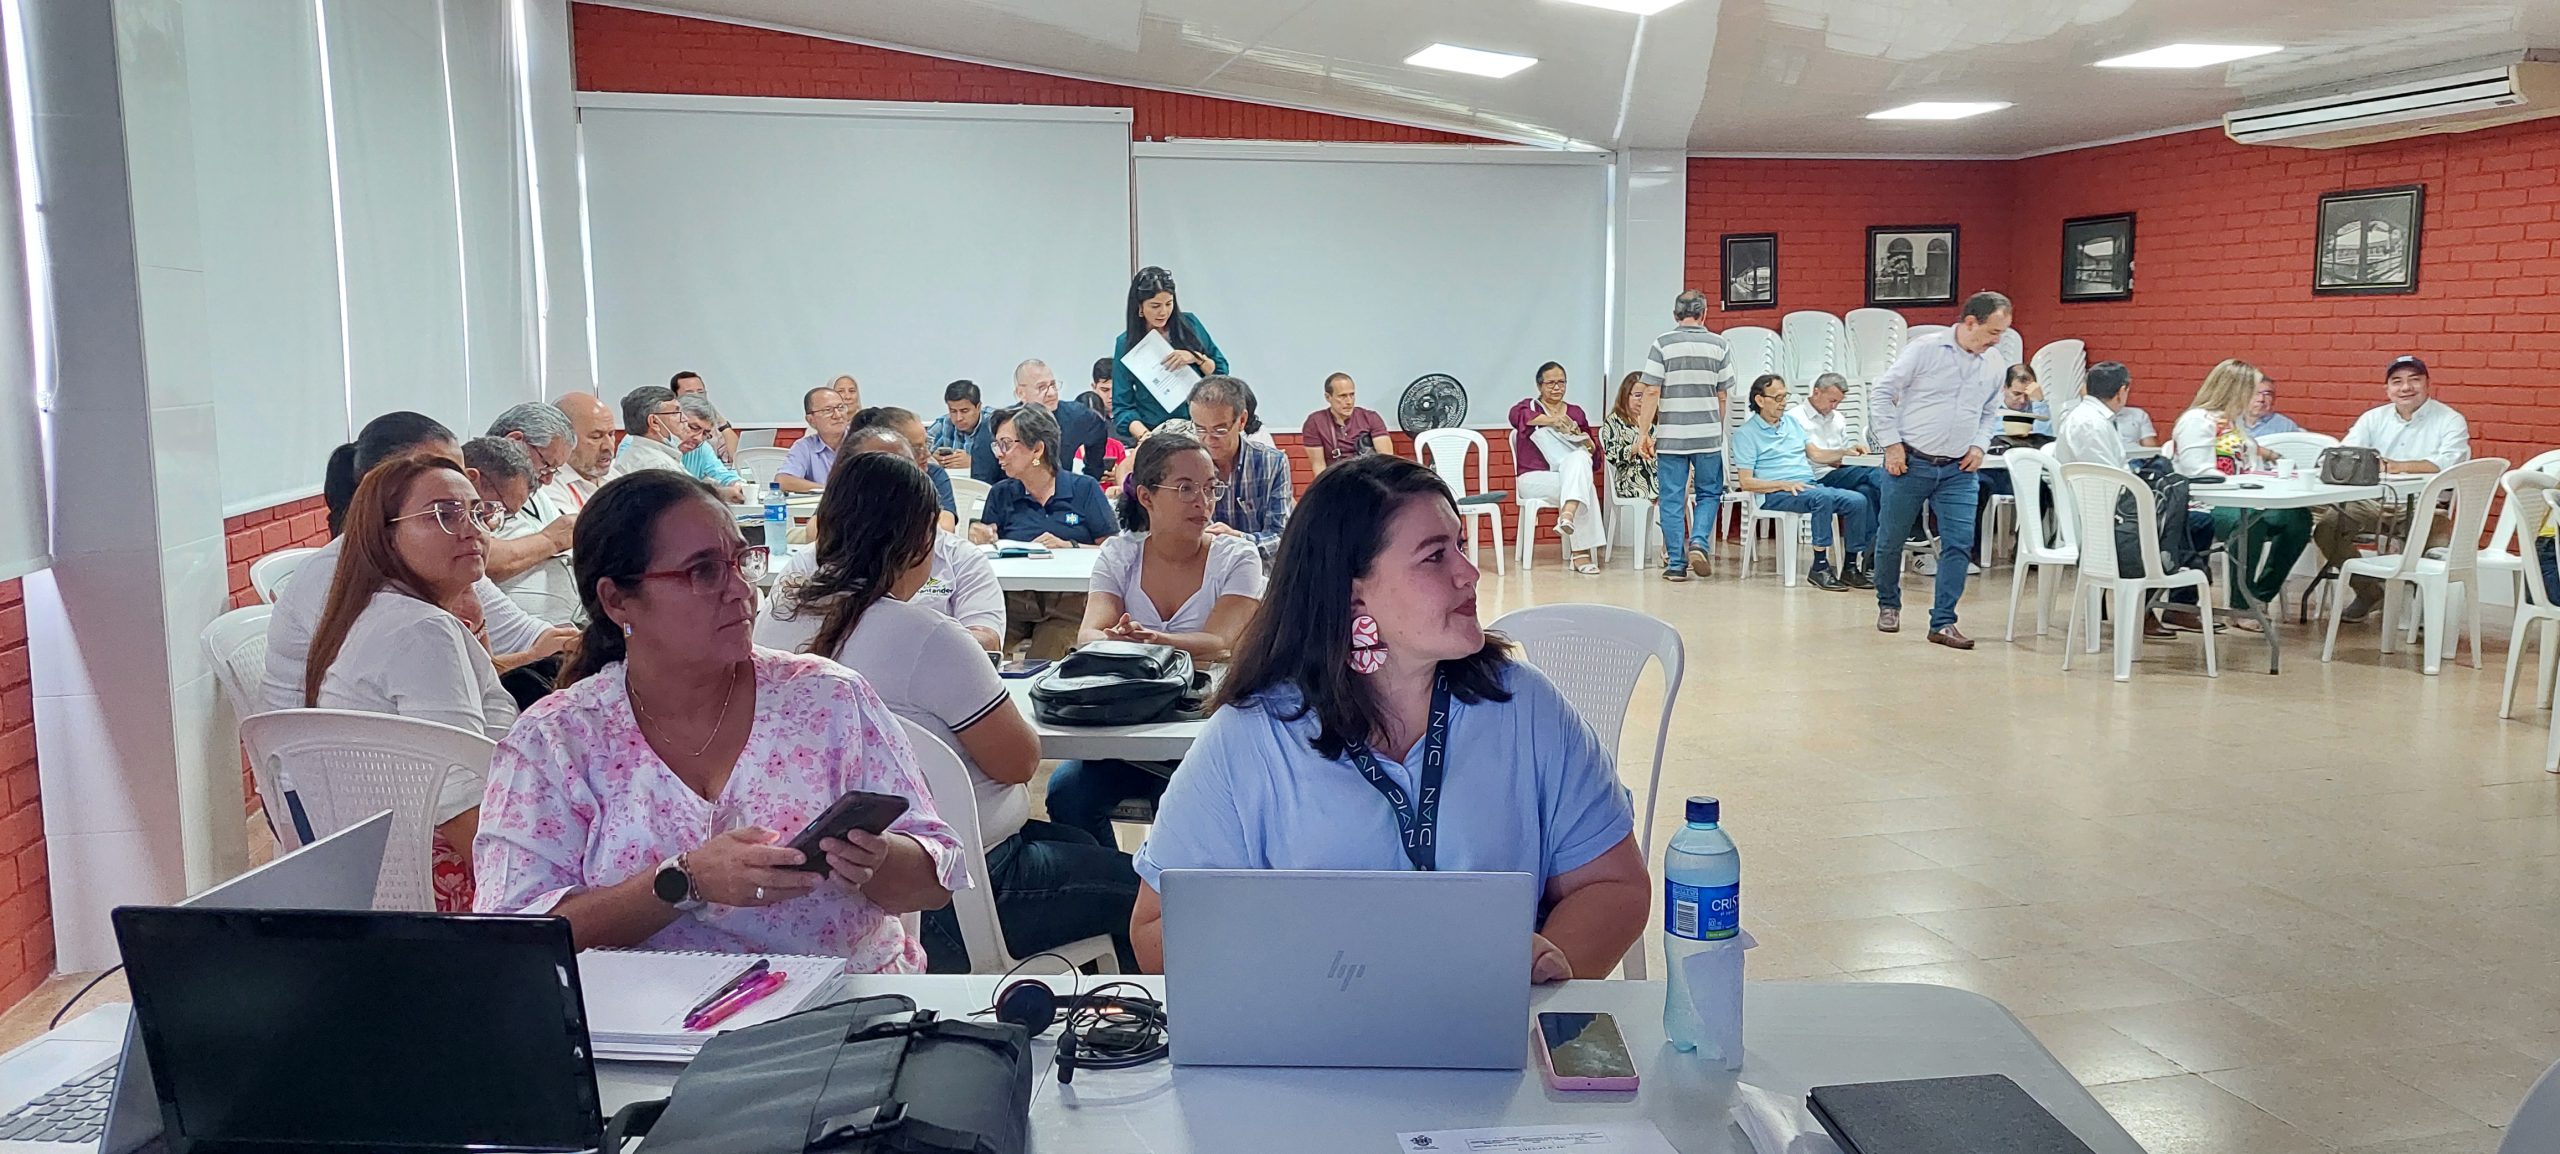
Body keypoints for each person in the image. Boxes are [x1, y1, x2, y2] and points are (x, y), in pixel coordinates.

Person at [1127, 454, 1649, 982]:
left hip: (1499, 1045)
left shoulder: (1523, 707)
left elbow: (1614, 885)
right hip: (1318, 1052)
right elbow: (1155, 928)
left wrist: (1536, 980)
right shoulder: (1253, 736)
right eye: (1434, 556)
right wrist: (1302, 971)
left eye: (1460, 547)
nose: (1469, 574)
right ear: (1354, 593)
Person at [474, 469, 966, 965]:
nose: (741, 591)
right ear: (617, 599)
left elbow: (934, 884)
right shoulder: (559, 739)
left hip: (841, 1013)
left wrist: (876, 861)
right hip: (644, 1031)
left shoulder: (828, 699)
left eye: (741, 562)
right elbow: (516, 938)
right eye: (704, 571)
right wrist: (684, 881)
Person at [758, 453, 1136, 973]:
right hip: (963, 890)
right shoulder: (929, 637)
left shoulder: (773, 621)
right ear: (920, 543)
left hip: (825, 893)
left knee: (1077, 842)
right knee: (1151, 897)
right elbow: (1020, 763)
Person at [303, 455, 514, 908]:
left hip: (379, 865)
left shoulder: (374, 609)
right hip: (435, 875)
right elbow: (456, 795)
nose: (472, 529)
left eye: (479, 512)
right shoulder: (420, 631)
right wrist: (528, 892)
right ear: (386, 535)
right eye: (444, 514)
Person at [271, 412, 578, 715]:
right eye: (442, 509)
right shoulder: (407, 620)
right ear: (383, 503)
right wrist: (517, 659)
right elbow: (464, 743)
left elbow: (521, 634)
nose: (462, 483)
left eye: (459, 474)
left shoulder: (437, 565)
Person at [1046, 433, 1267, 846]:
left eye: (1210, 487)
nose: (1203, 500)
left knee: (1190, 807)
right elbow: (1090, 634)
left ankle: (1171, 903)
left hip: (1202, 730)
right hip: (1126, 724)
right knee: (1066, 792)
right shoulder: (1120, 554)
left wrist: (1147, 642)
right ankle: (1116, 892)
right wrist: (1118, 638)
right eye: (1185, 488)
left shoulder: (1237, 558)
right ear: (1146, 497)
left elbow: (1221, 642)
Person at [767, 426, 1004, 653]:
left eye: (902, 472)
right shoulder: (809, 564)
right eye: (873, 477)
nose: (890, 490)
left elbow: (987, 641)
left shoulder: (959, 557)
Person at [1870, 291, 2012, 649]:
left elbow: (1990, 410)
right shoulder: (1925, 349)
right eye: (1993, 332)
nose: (1997, 340)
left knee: (1959, 544)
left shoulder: (1994, 362)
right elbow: (1882, 393)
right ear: (1969, 323)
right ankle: (1888, 603)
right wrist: (1891, 444)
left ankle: (1943, 621)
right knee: (1890, 540)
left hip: (1959, 469)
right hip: (1910, 461)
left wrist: (1980, 444)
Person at [2317, 355, 2475, 622]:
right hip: (2372, 503)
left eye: (2414, 380)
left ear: (2427, 384)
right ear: (2387, 389)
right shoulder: (2372, 418)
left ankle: (2425, 611)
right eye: (2397, 381)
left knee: (2437, 542)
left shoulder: (2450, 419)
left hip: (2426, 505)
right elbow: (2347, 451)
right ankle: (2368, 591)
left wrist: (2399, 466)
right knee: (2327, 527)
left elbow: (2449, 461)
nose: (2406, 388)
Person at [2056, 362, 2211, 635]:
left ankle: (2166, 597)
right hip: (2109, 521)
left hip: (2106, 513)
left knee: (2187, 520)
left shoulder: (2087, 417)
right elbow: (2111, 483)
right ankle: (2160, 599)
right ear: (2122, 391)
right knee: (2190, 523)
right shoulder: (2091, 424)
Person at [2170, 359, 2308, 632]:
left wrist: (2262, 478)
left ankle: (2259, 594)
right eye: (2252, 390)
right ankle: (2240, 604)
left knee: (2297, 519)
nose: (2256, 397)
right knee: (2248, 523)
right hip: (2208, 502)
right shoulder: (2196, 421)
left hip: (2246, 496)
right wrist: (2243, 483)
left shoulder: (2232, 422)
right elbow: (2198, 472)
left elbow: (2249, 463)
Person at [969, 404, 1117, 658]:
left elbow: (1113, 548)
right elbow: (988, 546)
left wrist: (1070, 546)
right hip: (1012, 604)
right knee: (979, 653)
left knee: (1044, 659)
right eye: (996, 445)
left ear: (1037, 449)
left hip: (1067, 605)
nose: (999, 454)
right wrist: (981, 539)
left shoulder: (1084, 489)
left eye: (1005, 444)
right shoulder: (1000, 493)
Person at [1730, 374, 1872, 591]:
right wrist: (1782, 484)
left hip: (1806, 486)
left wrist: (1844, 451)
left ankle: (1851, 566)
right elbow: (1746, 482)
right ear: (1760, 400)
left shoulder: (1792, 423)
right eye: (1777, 398)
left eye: (1785, 397)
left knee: (1857, 500)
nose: (1783, 403)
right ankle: (1820, 566)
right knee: (1821, 497)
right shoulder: (1746, 434)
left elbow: (1815, 454)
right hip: (1774, 493)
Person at [1638, 289, 1732, 581]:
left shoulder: (1662, 344)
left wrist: (1643, 433)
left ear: (1675, 314)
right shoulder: (1720, 345)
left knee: (1672, 499)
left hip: (1671, 436)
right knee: (1709, 493)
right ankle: (1700, 542)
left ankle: (1676, 564)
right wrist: (1715, 428)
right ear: (1704, 313)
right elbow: (1723, 395)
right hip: (1707, 435)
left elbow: (1652, 390)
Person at [1508, 362, 1607, 573]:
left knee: (1580, 459)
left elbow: (1595, 460)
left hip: (1568, 473)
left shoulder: (1576, 413)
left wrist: (1588, 443)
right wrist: (1552, 421)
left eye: (1561, 382)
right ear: (1539, 386)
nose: (1556, 387)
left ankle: (1567, 515)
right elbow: (1515, 417)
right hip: (1535, 478)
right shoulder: (1530, 407)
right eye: (1551, 383)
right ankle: (1580, 553)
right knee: (1583, 487)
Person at [1110, 265, 1229, 442]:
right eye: (1155, 306)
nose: (1163, 312)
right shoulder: (1126, 343)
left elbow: (1221, 372)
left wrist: (1195, 357)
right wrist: (1145, 436)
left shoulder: (1190, 324)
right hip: (1154, 431)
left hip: (1199, 427)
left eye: (1169, 303)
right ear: (1140, 308)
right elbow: (1122, 405)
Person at [478, 404, 578, 614]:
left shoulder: (537, 494)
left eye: (555, 471)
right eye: (547, 465)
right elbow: (482, 559)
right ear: (515, 442)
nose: (549, 479)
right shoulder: (477, 487)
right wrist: (551, 540)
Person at [969, 360, 1112, 484]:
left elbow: (1098, 429)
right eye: (1041, 388)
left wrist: (1092, 472)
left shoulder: (1076, 416)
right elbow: (982, 483)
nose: (1051, 393)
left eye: (1053, 385)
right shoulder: (999, 426)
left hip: (1061, 498)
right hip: (1010, 503)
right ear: (1021, 393)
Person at [1791, 373, 1884, 557]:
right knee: (1876, 475)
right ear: (1816, 392)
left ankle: (1864, 556)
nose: (1834, 406)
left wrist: (1853, 451)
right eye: (1832, 400)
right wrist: (1842, 453)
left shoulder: (1838, 418)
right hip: (1813, 475)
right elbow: (1814, 456)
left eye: (1838, 402)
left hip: (1838, 471)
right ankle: (1909, 514)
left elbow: (1839, 455)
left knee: (1866, 490)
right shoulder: (1795, 418)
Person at [848, 406, 957, 531]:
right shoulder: (863, 480)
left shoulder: (933, 474)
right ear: (888, 449)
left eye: (926, 444)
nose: (927, 454)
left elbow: (946, 526)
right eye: (916, 448)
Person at [1299, 372, 1394, 476]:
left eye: (1352, 395)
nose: (1349, 401)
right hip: (1336, 480)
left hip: (1369, 479)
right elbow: (1318, 465)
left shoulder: (1371, 417)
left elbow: (1386, 460)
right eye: (1342, 396)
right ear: (1328, 397)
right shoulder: (1315, 422)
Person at [542, 392, 617, 513]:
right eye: (596, 437)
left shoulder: (614, 476)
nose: (608, 446)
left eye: (611, 434)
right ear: (563, 438)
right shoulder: (548, 484)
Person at [778, 385, 852, 494]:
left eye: (840, 407)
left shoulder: (861, 441)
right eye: (828, 410)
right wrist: (830, 490)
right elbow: (782, 481)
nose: (837, 415)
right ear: (811, 420)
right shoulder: (805, 446)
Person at [1601, 371, 1659, 509]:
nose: (1643, 401)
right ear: (1625, 396)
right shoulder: (1614, 421)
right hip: (1631, 476)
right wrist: (1636, 447)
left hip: (1660, 471)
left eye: (1647, 396)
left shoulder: (1657, 419)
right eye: (1638, 396)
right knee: (1668, 489)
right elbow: (1612, 454)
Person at [676, 393, 745, 493]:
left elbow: (722, 474)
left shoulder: (701, 448)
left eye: (705, 433)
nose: (699, 438)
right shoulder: (658, 447)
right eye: (694, 428)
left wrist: (737, 484)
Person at [927, 380, 982, 473]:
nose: (958, 418)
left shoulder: (995, 423)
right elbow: (916, 451)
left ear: (978, 407)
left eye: (964, 411)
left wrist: (975, 463)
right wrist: (931, 459)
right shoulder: (944, 422)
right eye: (953, 411)